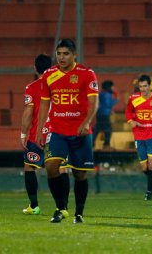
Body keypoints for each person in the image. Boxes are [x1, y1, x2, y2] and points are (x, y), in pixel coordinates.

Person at [36, 38, 99, 223]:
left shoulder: (86, 74)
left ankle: (79, 213)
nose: (61, 57)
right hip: (57, 130)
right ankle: (60, 208)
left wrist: (87, 122)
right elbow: (45, 104)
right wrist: (40, 130)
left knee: (80, 173)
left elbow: (94, 102)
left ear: (74, 55)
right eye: (59, 54)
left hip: (79, 131)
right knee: (51, 167)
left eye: (66, 54)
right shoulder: (49, 74)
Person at [20, 54, 70, 215]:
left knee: (29, 167)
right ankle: (64, 207)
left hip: (37, 135)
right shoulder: (62, 85)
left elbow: (28, 113)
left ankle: (34, 206)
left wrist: (23, 133)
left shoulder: (32, 87)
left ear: (35, 68)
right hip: (58, 134)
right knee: (61, 169)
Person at [125, 74, 152, 201]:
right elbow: (128, 111)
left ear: (150, 86)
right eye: (141, 87)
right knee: (145, 167)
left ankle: (149, 191)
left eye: (145, 86)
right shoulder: (133, 98)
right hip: (139, 135)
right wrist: (130, 121)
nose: (143, 89)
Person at [92, 80, 118, 151]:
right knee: (108, 130)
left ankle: (92, 145)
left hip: (100, 114)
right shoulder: (107, 95)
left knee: (97, 129)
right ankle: (106, 145)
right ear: (109, 87)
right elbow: (108, 104)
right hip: (104, 115)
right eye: (112, 87)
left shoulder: (101, 93)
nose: (113, 88)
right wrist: (116, 99)